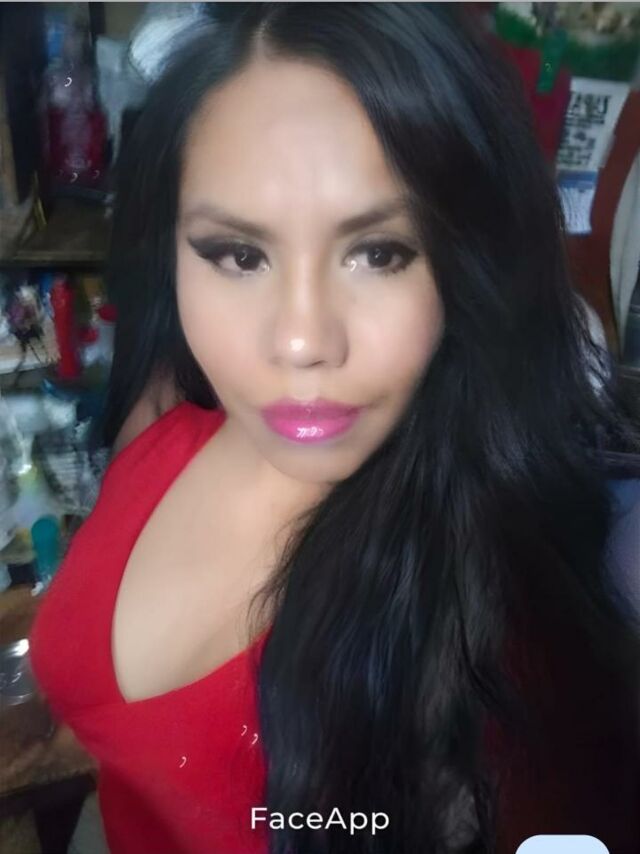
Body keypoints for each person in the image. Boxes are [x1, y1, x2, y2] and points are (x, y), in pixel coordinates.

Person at [28, 4, 640, 853]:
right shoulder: (163, 428)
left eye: (379, 253)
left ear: (467, 266)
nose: (301, 341)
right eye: (239, 254)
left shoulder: (479, 638)